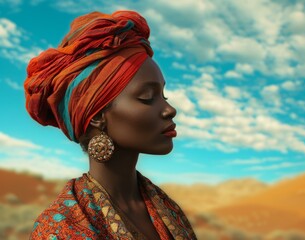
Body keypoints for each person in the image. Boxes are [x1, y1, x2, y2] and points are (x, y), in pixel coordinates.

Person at [24, 10, 197, 240]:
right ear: (96, 115)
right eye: (147, 97)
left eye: (163, 96)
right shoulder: (59, 229)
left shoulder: (167, 207)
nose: (169, 109)